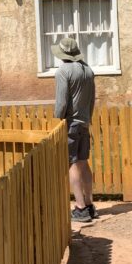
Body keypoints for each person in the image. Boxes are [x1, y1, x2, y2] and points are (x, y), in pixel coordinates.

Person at [52, 36, 95, 224]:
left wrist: (57, 119)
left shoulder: (63, 71)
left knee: (73, 164)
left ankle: (80, 208)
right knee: (84, 163)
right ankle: (90, 204)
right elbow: (92, 99)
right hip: (85, 121)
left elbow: (62, 102)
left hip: (71, 123)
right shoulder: (88, 70)